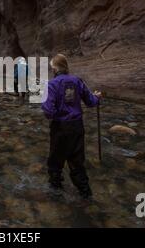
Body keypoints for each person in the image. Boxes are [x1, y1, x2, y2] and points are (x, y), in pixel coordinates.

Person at [41, 54, 102, 199]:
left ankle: (56, 194)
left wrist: (58, 115)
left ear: (55, 68)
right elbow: (91, 102)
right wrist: (97, 97)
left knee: (55, 162)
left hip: (60, 128)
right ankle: (86, 195)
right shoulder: (77, 81)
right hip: (77, 127)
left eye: (51, 67)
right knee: (77, 162)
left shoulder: (51, 84)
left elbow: (48, 110)